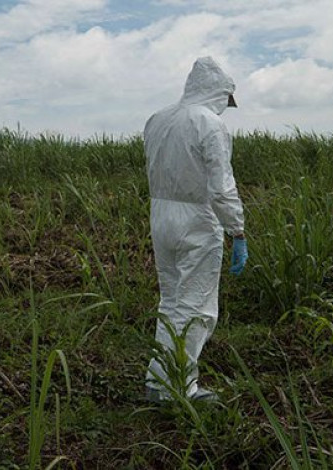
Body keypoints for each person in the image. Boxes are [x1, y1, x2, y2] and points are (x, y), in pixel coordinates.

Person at [143, 56, 248, 402]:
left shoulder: (157, 120)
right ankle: (179, 388)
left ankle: (158, 381)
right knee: (196, 307)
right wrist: (238, 231)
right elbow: (221, 187)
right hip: (198, 223)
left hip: (161, 218)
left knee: (171, 302)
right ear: (219, 93)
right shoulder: (209, 124)